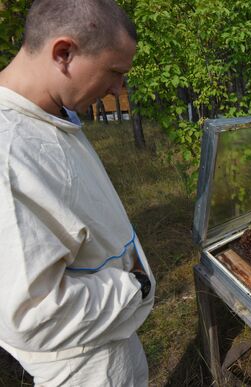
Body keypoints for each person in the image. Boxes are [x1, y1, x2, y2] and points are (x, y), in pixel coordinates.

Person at [0, 1, 155, 386]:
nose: (118, 88)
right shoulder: (8, 151)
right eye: (115, 72)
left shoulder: (50, 115)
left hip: (108, 335)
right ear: (63, 53)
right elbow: (32, 314)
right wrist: (135, 285)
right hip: (82, 365)